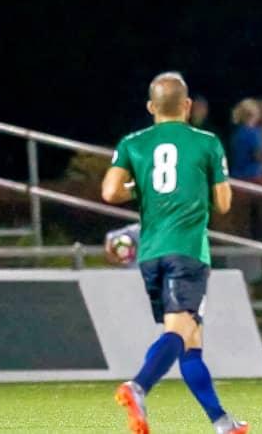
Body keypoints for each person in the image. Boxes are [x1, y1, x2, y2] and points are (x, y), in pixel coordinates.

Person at [101, 72, 248, 434]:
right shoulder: (207, 142)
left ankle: (222, 422)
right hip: (187, 250)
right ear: (187, 106)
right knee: (182, 331)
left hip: (150, 253)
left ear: (152, 106)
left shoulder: (132, 143)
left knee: (189, 338)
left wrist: (145, 187)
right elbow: (225, 202)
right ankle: (138, 386)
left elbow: (110, 192)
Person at [229, 98, 262, 180]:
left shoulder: (237, 132)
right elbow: (258, 156)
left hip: (236, 176)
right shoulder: (252, 133)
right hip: (251, 178)